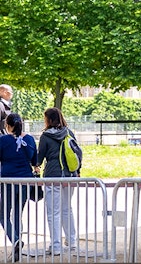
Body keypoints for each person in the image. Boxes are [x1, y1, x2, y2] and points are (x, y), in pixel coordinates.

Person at [37, 107, 79, 255]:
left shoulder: (45, 136)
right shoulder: (69, 132)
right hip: (70, 175)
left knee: (53, 212)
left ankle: (55, 246)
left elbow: (39, 158)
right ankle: (72, 241)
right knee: (67, 208)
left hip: (53, 176)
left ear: (48, 119)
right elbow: (77, 152)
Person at [0, 114, 36, 260]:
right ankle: (16, 247)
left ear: (7, 125)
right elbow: (35, 160)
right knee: (17, 213)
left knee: (3, 214)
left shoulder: (3, 140)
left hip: (8, 180)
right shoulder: (30, 139)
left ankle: (15, 240)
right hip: (25, 180)